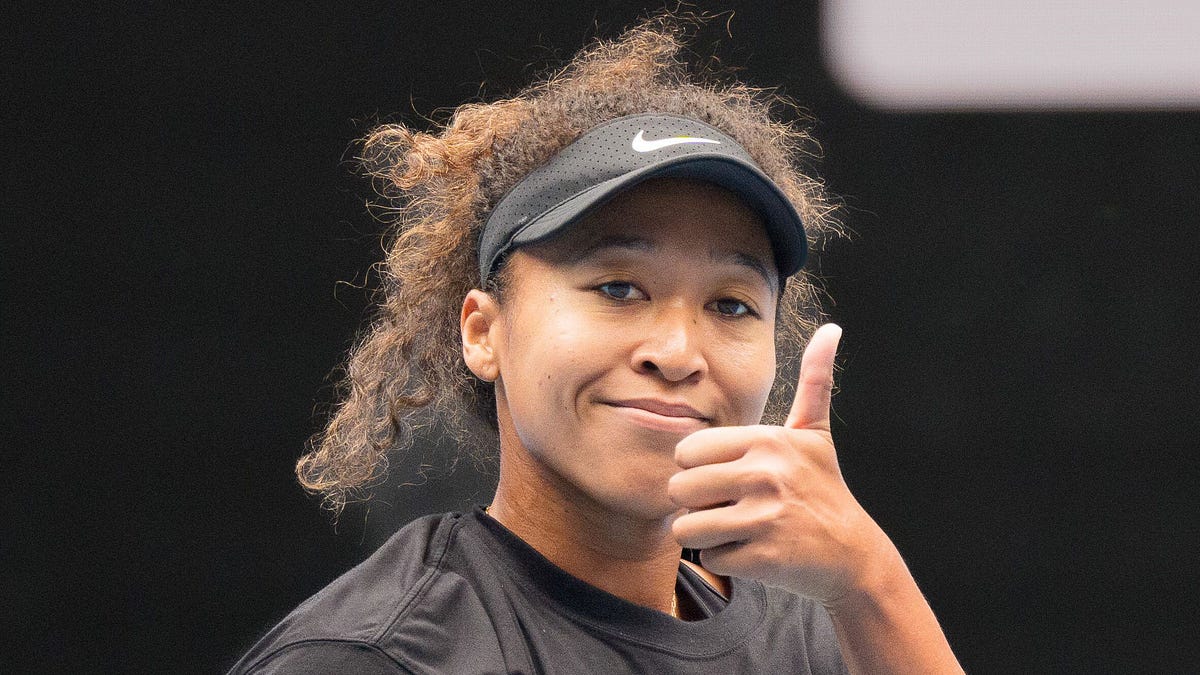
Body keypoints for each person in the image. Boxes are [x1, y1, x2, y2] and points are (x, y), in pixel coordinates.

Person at [230, 16, 962, 674]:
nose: (677, 350)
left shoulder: (822, 635)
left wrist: (869, 577)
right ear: (483, 332)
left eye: (730, 304)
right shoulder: (375, 657)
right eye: (618, 288)